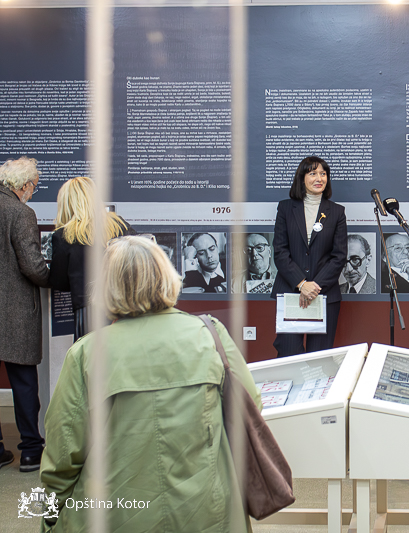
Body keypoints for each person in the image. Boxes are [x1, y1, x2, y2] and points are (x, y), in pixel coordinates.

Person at [40, 236, 260, 532]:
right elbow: (250, 407)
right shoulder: (210, 335)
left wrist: (50, 519)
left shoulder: (86, 354)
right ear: (166, 276)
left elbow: (62, 457)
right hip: (207, 512)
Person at [0, 157, 50, 473]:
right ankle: (31, 450)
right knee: (24, 383)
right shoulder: (21, 213)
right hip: (15, 311)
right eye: (34, 187)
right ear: (24, 185)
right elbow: (32, 266)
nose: (32, 192)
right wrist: (52, 278)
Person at [271, 156, 347, 357]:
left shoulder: (337, 212)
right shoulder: (285, 208)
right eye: (313, 173)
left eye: (323, 174)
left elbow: (339, 256)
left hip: (324, 293)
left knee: (319, 359)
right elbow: (280, 251)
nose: (319, 178)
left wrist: (314, 286)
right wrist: (301, 283)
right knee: (288, 355)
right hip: (290, 291)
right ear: (302, 177)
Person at [48, 177, 134, 341]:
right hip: (122, 305)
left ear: (67, 203)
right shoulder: (120, 226)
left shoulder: (64, 235)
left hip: (88, 310)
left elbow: (59, 282)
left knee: (89, 354)